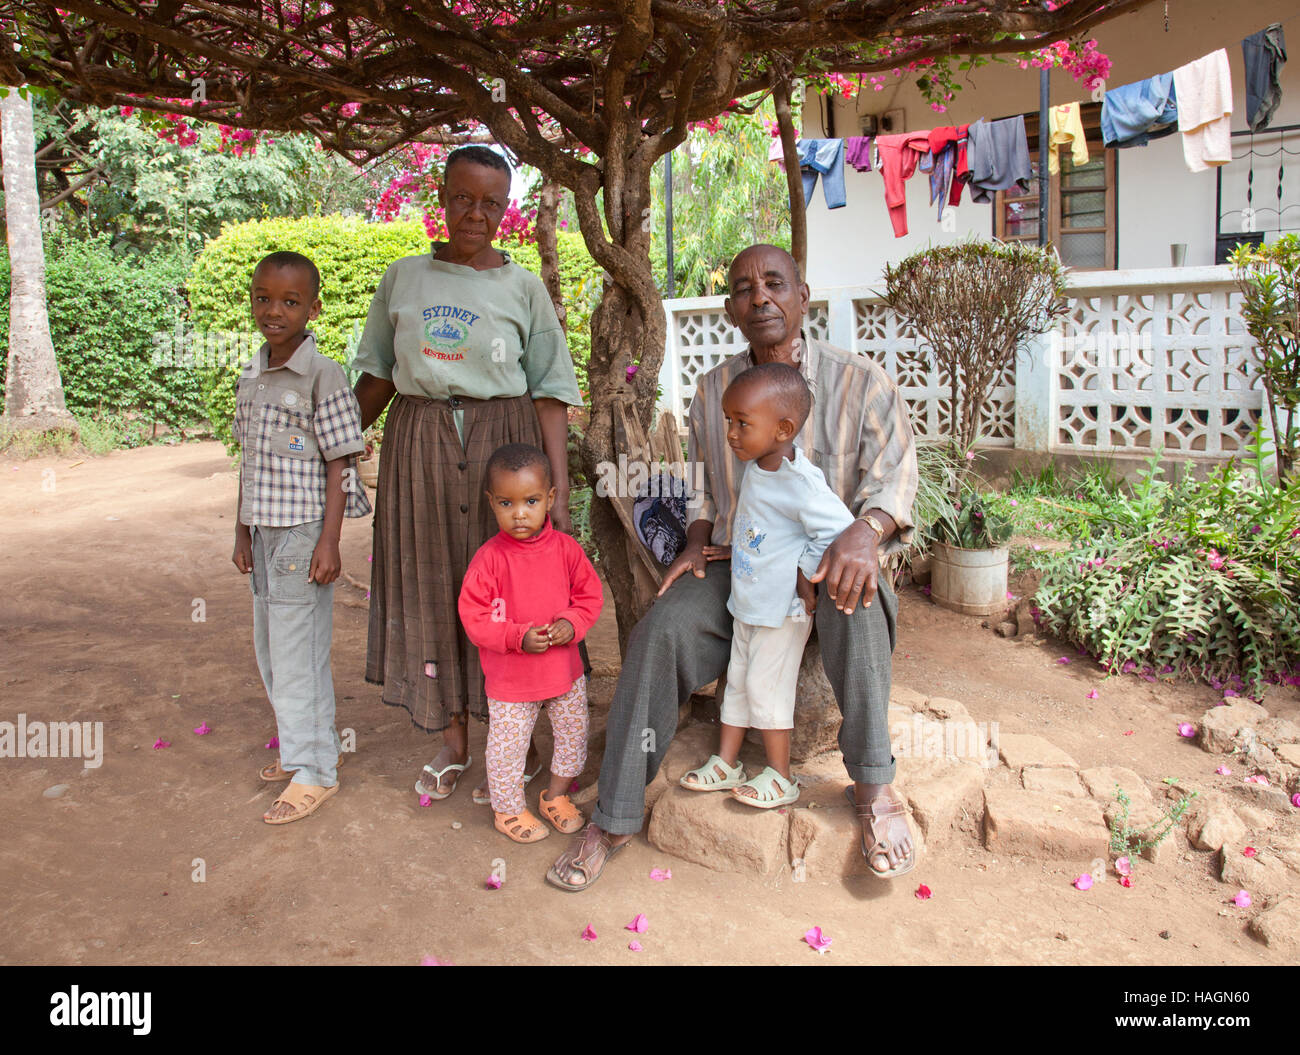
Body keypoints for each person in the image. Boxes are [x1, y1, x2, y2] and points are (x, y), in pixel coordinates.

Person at [547, 243, 919, 891]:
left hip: (832, 560)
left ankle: (874, 789)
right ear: (731, 309)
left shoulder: (864, 381)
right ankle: (614, 814)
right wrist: (693, 540)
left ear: (803, 296)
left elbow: (893, 483)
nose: (761, 297)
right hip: (742, 561)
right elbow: (704, 491)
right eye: (745, 287)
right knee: (662, 627)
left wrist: (868, 529)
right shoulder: (713, 389)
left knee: (856, 592)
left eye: (775, 283)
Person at [351, 146, 584, 802]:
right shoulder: (403, 278)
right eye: (462, 197)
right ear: (443, 197)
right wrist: (336, 443)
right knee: (434, 588)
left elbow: (550, 392)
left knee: (514, 592)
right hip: (419, 438)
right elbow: (376, 375)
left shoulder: (522, 287)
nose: (474, 213)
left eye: (490, 201)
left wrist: (556, 489)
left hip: (504, 443)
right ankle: (454, 742)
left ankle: (523, 743)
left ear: (506, 208)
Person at [231, 251, 371, 824]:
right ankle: (302, 747)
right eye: (264, 297)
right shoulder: (251, 374)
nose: (274, 310)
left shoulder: (324, 374)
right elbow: (247, 461)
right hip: (264, 533)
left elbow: (342, 460)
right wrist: (242, 531)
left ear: (313, 307)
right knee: (271, 649)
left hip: (304, 531)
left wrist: (330, 542)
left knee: (298, 654)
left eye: (290, 301)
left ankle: (315, 770)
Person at [678, 363, 852, 809]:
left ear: (783, 429)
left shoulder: (802, 482)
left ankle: (781, 776)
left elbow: (838, 529)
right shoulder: (759, 466)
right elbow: (770, 528)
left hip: (782, 610)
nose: (731, 434)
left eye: (742, 424)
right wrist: (741, 551)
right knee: (735, 683)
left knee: (765, 688)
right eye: (729, 422)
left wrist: (804, 571)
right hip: (749, 602)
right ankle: (726, 762)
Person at [458, 443, 604, 843]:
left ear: (551, 499)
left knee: (573, 735)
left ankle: (555, 796)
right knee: (507, 750)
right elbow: (474, 617)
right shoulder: (489, 559)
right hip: (511, 684)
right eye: (506, 502)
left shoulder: (567, 551)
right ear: (491, 502)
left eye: (531, 500)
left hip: (564, 675)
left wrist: (571, 624)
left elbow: (589, 598)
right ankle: (507, 811)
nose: (519, 512)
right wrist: (516, 636)